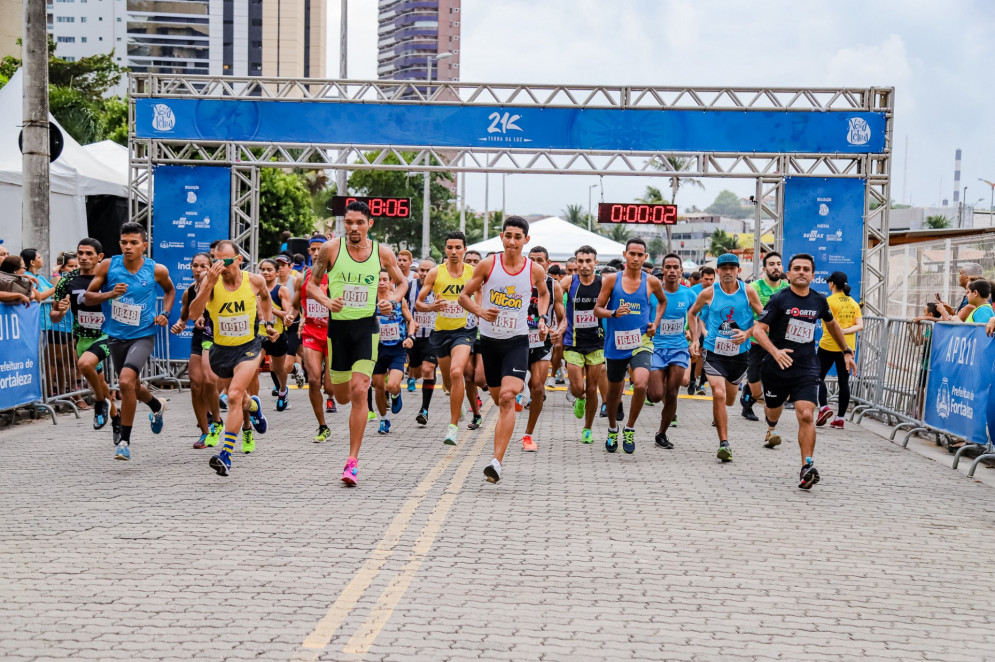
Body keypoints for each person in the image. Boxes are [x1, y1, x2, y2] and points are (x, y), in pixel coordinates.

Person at [307, 200, 408, 486]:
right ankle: (349, 443)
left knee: (361, 389)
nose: (353, 227)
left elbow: (402, 284)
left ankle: (352, 461)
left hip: (367, 328)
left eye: (359, 223)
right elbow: (312, 284)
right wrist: (328, 301)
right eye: (349, 222)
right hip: (338, 330)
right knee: (341, 395)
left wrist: (391, 301)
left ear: (369, 224)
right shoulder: (331, 250)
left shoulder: (382, 252)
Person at [751, 253, 855, 490]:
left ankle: (806, 466)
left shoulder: (819, 301)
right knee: (773, 413)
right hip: (776, 368)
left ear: (813, 275)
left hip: (806, 367)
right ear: (788, 274)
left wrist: (846, 351)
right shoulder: (779, 299)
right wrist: (775, 352)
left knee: (806, 413)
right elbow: (759, 330)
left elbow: (832, 325)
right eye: (796, 268)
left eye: (806, 269)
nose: (801, 272)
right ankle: (770, 424)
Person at [458, 216, 548, 483]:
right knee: (498, 399)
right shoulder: (488, 264)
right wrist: (479, 310)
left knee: (508, 397)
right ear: (501, 236)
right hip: (490, 342)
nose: (512, 241)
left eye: (518, 237)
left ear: (526, 240)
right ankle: (499, 445)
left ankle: (496, 462)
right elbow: (464, 295)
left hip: (518, 341)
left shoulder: (534, 270)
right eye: (508, 235)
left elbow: (543, 294)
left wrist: (541, 318)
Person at [84, 222, 176, 461]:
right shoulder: (108, 266)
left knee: (125, 381)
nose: (128, 247)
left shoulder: (156, 270)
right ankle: (156, 406)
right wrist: (109, 294)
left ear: (144, 245)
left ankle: (124, 441)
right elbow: (88, 297)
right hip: (116, 336)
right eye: (124, 242)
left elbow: (169, 291)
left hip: (143, 335)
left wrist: (164, 314)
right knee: (132, 386)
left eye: (134, 243)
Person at [186, 241, 279, 475]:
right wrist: (209, 284)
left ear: (239, 260)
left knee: (235, 395)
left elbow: (266, 298)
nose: (221, 266)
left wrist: (268, 323)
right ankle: (255, 406)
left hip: (248, 347)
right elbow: (193, 314)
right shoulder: (209, 283)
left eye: (226, 261)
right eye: (216, 262)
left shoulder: (254, 281)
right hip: (221, 350)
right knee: (244, 400)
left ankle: (226, 455)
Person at [686, 253, 763, 462]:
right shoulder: (709, 293)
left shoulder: (748, 292)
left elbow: (763, 318)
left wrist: (747, 334)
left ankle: (719, 414)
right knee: (718, 394)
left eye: (732, 268)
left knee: (728, 400)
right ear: (718, 271)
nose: (728, 272)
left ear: (739, 271)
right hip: (713, 352)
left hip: (739, 355)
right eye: (724, 268)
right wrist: (695, 339)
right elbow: (692, 314)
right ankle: (724, 444)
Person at [593, 238, 667, 455]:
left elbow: (663, 302)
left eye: (640, 254)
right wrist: (613, 313)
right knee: (614, 393)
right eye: (632, 253)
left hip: (641, 341)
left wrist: (656, 323)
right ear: (625, 255)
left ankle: (630, 428)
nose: (635, 258)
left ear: (645, 257)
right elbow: (598, 309)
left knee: (642, 383)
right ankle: (613, 428)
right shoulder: (611, 281)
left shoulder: (652, 281)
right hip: (616, 342)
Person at [50, 238, 121, 436]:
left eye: (88, 254)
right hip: (83, 337)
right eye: (80, 253)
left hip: (108, 333)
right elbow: (54, 317)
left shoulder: (110, 278)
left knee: (85, 365)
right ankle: (116, 416)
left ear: (99, 257)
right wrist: (60, 311)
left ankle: (99, 403)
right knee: (100, 383)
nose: (82, 257)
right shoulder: (67, 280)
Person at [416, 231, 476, 446]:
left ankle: (452, 428)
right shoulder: (435, 273)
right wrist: (433, 306)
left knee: (457, 371)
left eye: (458, 248)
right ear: (445, 249)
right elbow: (419, 303)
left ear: (464, 250)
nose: (453, 251)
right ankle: (455, 400)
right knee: (449, 382)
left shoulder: (473, 272)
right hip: (440, 332)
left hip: (464, 331)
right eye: (450, 248)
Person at [170, 252, 223, 449]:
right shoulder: (189, 291)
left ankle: (217, 419)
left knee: (212, 383)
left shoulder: (220, 288)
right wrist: (179, 324)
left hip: (221, 338)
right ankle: (204, 431)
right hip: (200, 339)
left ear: (211, 267)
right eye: (195, 266)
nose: (198, 270)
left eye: (203, 266)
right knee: (196, 384)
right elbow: (184, 317)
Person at [646, 253, 696, 450]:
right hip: (656, 348)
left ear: (681, 271)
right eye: (668, 267)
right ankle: (656, 386)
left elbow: (695, 317)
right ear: (663, 270)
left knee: (673, 393)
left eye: (676, 267)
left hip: (678, 348)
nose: (672, 271)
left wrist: (694, 336)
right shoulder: (652, 294)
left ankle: (662, 433)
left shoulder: (689, 294)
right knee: (657, 395)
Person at [519, 246, 566, 452]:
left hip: (542, 341)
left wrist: (558, 330)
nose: (536, 263)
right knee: (511, 389)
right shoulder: (517, 280)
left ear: (547, 263)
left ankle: (528, 435)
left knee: (538, 387)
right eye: (532, 259)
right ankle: (520, 391)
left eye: (540, 260)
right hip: (517, 340)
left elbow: (563, 317)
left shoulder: (553, 286)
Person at [559, 246, 605, 444]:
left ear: (596, 263)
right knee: (578, 388)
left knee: (592, 387)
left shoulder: (604, 283)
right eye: (580, 261)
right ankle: (580, 398)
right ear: (575, 263)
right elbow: (552, 298)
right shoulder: (569, 282)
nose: (584, 265)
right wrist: (560, 321)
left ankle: (587, 428)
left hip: (596, 342)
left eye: (588, 261)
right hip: (573, 342)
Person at [295, 238, 336, 441]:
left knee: (329, 387)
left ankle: (331, 397)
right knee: (313, 380)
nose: (317, 253)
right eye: (314, 250)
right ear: (309, 251)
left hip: (333, 333)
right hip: (311, 332)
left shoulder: (337, 274)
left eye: (321, 250)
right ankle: (322, 426)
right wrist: (295, 316)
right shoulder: (303, 276)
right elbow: (297, 303)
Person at [742, 252, 790, 421]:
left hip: (778, 343)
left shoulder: (787, 288)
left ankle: (760, 410)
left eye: (778, 263)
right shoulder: (754, 287)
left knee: (775, 377)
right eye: (771, 264)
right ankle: (747, 400)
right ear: (764, 269)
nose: (775, 267)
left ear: (782, 268)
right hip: (757, 341)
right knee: (754, 379)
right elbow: (746, 314)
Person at [816, 271, 863, 430]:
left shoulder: (828, 301)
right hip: (848, 347)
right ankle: (840, 418)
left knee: (818, 376)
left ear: (832, 284)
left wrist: (838, 332)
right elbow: (860, 325)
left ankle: (824, 408)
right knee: (844, 383)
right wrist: (845, 331)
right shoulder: (854, 303)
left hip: (828, 344)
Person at [372, 269, 416, 434]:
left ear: (391, 282)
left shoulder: (398, 300)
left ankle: (396, 394)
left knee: (391, 385)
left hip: (397, 348)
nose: (381, 283)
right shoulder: (371, 301)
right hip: (377, 349)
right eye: (378, 279)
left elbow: (411, 320)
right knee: (378, 386)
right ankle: (384, 419)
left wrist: (411, 337)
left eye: (385, 279)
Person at [258, 258, 295, 411]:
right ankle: (252, 399)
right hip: (259, 335)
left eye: (269, 270)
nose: (265, 273)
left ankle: (282, 391)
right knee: (253, 367)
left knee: (279, 370)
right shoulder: (254, 289)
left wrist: (268, 308)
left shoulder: (281, 290)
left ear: (276, 272)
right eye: (263, 270)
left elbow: (287, 313)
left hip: (277, 335)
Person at [407, 258, 440, 423]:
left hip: (433, 337)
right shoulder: (410, 287)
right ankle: (410, 376)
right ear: (417, 271)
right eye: (422, 270)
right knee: (416, 371)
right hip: (413, 337)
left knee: (428, 370)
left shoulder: (440, 287)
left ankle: (424, 409)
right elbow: (402, 307)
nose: (424, 274)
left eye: (428, 271)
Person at [461, 250, 484, 431]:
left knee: (480, 379)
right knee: (468, 377)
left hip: (485, 335)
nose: (473, 264)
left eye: (476, 261)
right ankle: (476, 414)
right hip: (465, 333)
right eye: (469, 261)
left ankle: (485, 389)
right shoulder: (461, 285)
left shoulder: (490, 283)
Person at [687, 266, 715, 395]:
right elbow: (689, 312)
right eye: (706, 279)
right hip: (695, 328)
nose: (709, 282)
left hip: (711, 328)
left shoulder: (717, 291)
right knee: (694, 354)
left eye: (711, 279)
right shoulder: (693, 291)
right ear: (701, 278)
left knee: (706, 356)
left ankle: (702, 384)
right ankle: (692, 379)